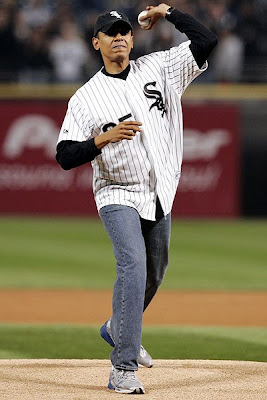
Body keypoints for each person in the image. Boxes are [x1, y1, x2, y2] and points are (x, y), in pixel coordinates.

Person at [56, 3, 217, 394]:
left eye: (124, 31)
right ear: (97, 43)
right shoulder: (85, 98)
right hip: (116, 190)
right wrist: (101, 140)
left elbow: (206, 40)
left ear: (132, 38)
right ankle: (123, 369)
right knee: (133, 263)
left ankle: (116, 327)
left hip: (159, 189)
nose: (119, 38)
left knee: (155, 271)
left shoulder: (159, 68)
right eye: (110, 33)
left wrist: (168, 12)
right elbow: (64, 155)